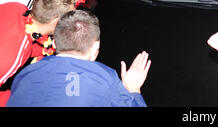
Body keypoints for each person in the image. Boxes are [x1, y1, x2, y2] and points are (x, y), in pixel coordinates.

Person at [6, 10, 151, 107]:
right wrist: (133, 90)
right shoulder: (106, 78)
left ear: (54, 43)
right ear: (96, 49)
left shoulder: (26, 74)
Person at [0, 0, 76, 106]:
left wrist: (45, 49)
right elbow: (19, 49)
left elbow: (26, 41)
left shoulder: (17, 8)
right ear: (55, 22)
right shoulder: (13, 55)